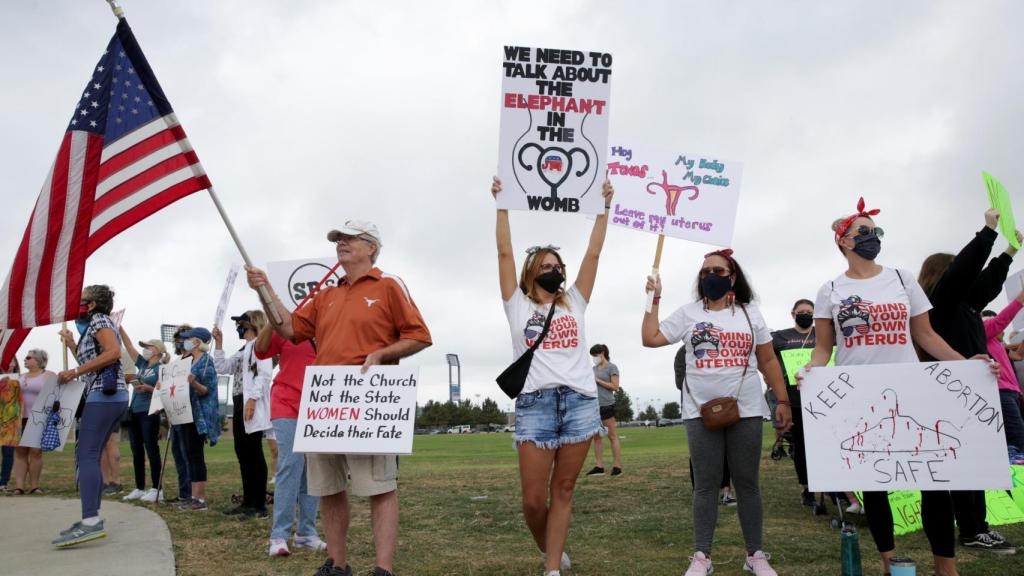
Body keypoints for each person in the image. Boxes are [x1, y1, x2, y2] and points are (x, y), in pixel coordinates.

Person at [806, 198, 997, 576]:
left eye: (876, 231)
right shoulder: (829, 289)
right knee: (874, 486)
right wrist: (811, 371)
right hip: (859, 393)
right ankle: (889, 562)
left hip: (910, 388)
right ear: (843, 241)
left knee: (933, 480)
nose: (872, 237)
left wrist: (965, 364)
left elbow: (925, 335)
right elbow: (823, 348)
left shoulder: (901, 278)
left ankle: (946, 566)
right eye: (863, 232)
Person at [246, 218, 432, 576]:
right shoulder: (326, 295)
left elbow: (420, 335)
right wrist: (265, 291)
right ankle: (338, 563)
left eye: (350, 239)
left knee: (379, 487)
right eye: (338, 240)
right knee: (328, 487)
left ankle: (383, 568)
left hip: (369, 400)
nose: (341, 244)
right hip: (326, 400)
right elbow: (288, 329)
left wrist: (383, 354)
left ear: (371, 247)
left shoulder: (389, 286)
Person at [643, 248, 792, 576]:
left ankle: (755, 554)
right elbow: (650, 338)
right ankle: (702, 557)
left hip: (748, 408)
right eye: (705, 271)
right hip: (699, 411)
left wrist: (782, 401)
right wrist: (654, 300)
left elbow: (767, 360)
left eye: (718, 271)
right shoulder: (688, 313)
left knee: (747, 482)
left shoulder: (750, 313)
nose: (710, 276)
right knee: (706, 485)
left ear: (733, 277)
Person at [493, 176, 613, 576]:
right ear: (532, 273)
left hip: (579, 403)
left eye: (557, 266)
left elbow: (594, 255)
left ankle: (551, 569)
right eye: (545, 266)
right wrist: (502, 205)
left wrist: (604, 209)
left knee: (563, 490)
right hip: (535, 405)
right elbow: (505, 252)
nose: (553, 271)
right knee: (532, 500)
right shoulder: (517, 306)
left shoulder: (574, 302)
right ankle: (551, 548)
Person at [917, 208, 1019, 555]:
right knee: (960, 464)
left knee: (974, 462)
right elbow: (964, 272)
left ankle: (977, 528)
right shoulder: (937, 304)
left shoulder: (966, 305)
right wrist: (988, 232)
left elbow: (986, 283)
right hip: (946, 392)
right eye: (958, 271)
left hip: (974, 393)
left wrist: (1009, 251)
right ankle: (971, 528)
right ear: (942, 275)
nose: (970, 280)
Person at [51, 285, 130, 547]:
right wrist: (73, 344)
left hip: (104, 396)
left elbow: (113, 353)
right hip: (107, 396)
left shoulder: (99, 320)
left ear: (93, 304)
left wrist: (73, 372)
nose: (77, 303)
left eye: (81, 299)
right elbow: (95, 360)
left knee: (85, 454)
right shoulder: (93, 325)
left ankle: (90, 521)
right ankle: (91, 517)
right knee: (91, 455)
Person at [254, 320, 325, 557]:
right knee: (291, 464)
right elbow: (261, 350)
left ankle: (306, 533)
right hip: (286, 403)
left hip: (319, 405)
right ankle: (279, 535)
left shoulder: (329, 324)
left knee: (313, 468)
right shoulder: (288, 325)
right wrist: (270, 320)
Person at [213, 310, 274, 519]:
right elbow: (223, 367)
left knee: (253, 452)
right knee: (242, 452)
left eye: (241, 323)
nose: (238, 327)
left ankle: (259, 505)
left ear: (252, 323)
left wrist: (253, 399)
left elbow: (264, 375)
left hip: (251, 403)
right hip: (239, 401)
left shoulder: (260, 345)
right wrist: (219, 344)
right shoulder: (243, 349)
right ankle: (248, 501)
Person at [769, 298, 816, 507]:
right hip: (794, 398)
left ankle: (835, 488)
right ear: (793, 313)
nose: (805, 314)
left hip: (822, 397)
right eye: (801, 311)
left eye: (809, 311)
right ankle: (806, 487)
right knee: (802, 446)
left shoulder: (823, 336)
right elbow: (767, 361)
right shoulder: (780, 337)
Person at [171, 326, 220, 511]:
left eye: (188, 338)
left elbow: (207, 390)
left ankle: (199, 499)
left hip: (199, 415)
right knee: (189, 454)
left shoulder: (206, 362)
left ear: (197, 342)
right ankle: (192, 496)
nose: (185, 341)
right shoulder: (189, 362)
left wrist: (193, 382)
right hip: (186, 412)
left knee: (195, 455)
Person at [120, 326, 168, 502]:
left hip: (150, 412)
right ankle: (140, 487)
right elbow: (130, 346)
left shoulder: (161, 368)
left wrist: (148, 387)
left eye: (148, 347)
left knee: (151, 449)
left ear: (158, 351)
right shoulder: (141, 364)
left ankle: (157, 489)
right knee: (136, 450)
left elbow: (165, 390)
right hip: (135, 411)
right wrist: (120, 328)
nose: (145, 350)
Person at [983, 304, 1024, 458]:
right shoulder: (984, 333)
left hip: (1012, 393)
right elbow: (1001, 320)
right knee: (1018, 438)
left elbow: (1019, 356)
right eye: (1000, 326)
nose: (1004, 329)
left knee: (1017, 438)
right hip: (1001, 393)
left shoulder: (998, 345)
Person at [12, 349, 54, 495]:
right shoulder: (20, 377)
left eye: (28, 357)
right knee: (20, 452)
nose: (25, 359)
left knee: (36, 452)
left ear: (38, 360)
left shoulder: (48, 375)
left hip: (38, 418)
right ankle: (19, 486)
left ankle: (35, 486)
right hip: (19, 418)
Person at [165, 325, 193, 504]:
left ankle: (191, 493)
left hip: (188, 413)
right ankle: (183, 492)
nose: (179, 341)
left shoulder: (195, 360)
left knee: (188, 454)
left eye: (183, 337)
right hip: (174, 414)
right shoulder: (175, 363)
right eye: (178, 338)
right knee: (178, 454)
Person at [584, 344, 622, 477]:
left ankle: (617, 466)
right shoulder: (592, 369)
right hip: (593, 406)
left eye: (595, 355)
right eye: (592, 356)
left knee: (612, 436)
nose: (594, 358)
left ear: (602, 353)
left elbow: (615, 386)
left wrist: (598, 381)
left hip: (607, 405)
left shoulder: (612, 367)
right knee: (596, 437)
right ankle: (599, 467)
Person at [0, 358, 21, 490]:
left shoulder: (21, 380)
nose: (8, 364)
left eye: (11, 361)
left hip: (11, 423)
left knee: (8, 453)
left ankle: (3, 482)